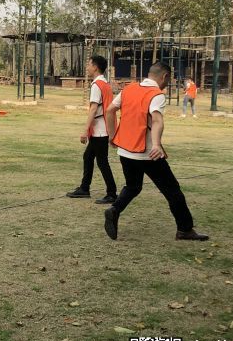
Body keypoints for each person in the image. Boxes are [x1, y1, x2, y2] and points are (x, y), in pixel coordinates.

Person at [103, 61, 209, 242]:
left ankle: (114, 210)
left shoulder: (129, 89)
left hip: (126, 151)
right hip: (148, 153)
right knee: (172, 190)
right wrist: (157, 145)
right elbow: (157, 120)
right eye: (168, 79)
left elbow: (110, 110)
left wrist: (113, 136)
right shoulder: (156, 95)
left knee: (133, 186)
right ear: (165, 76)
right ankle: (184, 229)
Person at [66, 56, 117, 204]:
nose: (87, 67)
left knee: (102, 162)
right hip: (102, 129)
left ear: (95, 67)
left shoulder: (96, 85)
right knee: (88, 157)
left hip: (100, 130)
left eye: (89, 64)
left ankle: (111, 193)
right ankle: (85, 188)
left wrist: (85, 131)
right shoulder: (105, 83)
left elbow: (93, 109)